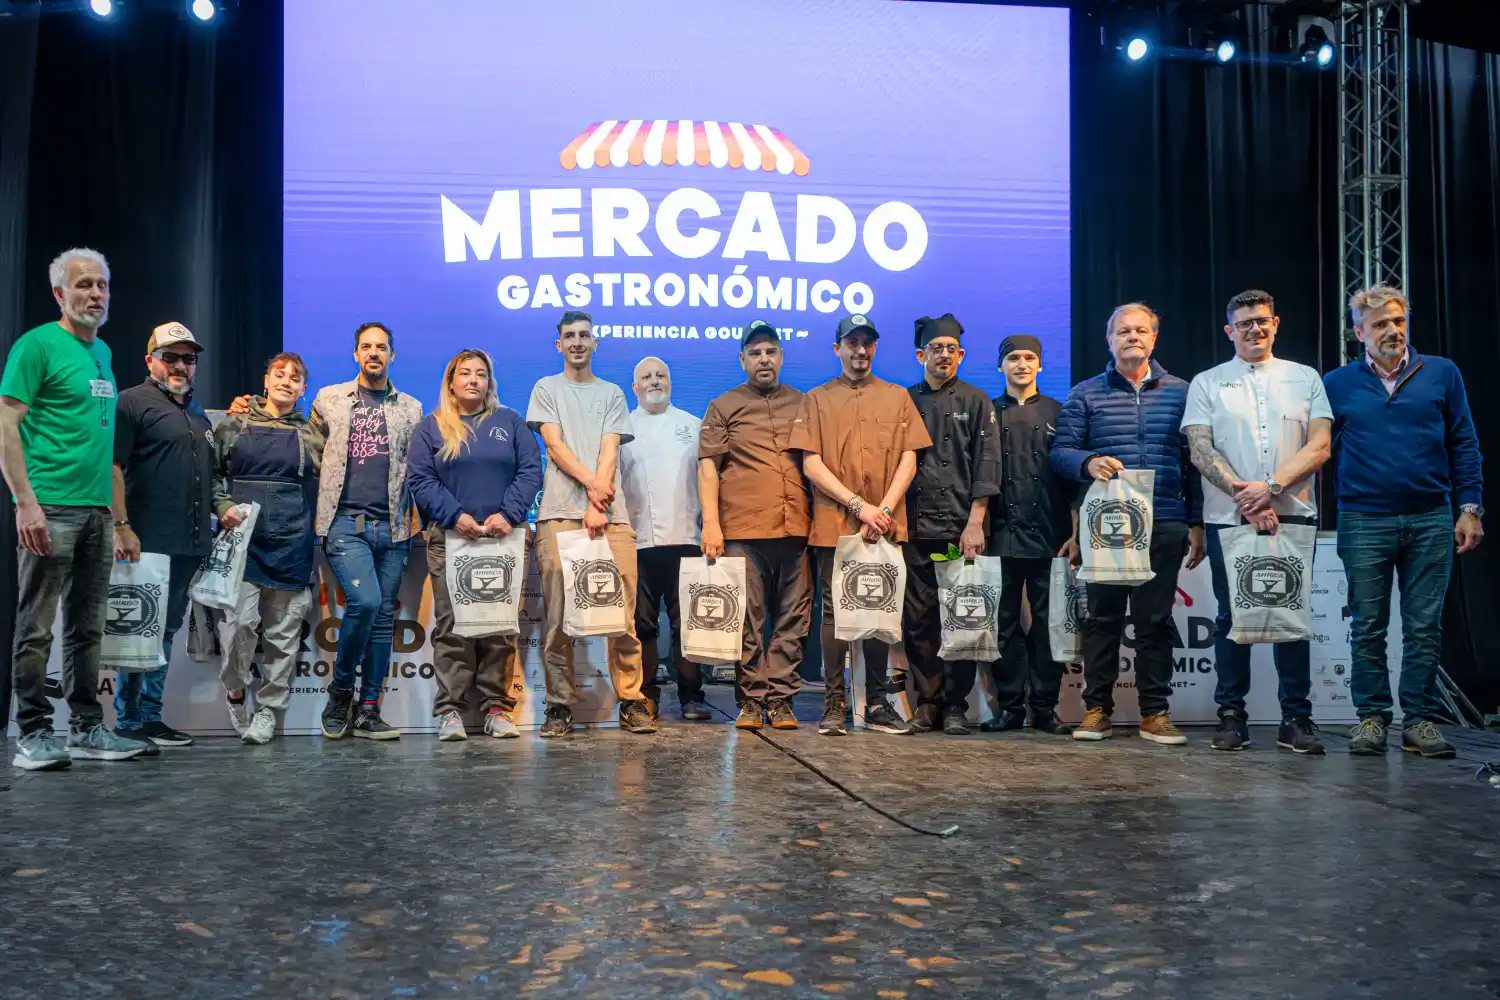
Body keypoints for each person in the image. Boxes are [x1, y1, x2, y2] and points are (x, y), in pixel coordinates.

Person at [2, 248, 151, 769]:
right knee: (36, 625)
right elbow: (6, 425)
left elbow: (104, 448)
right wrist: (27, 505)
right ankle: (33, 732)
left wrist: (116, 517)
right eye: (83, 284)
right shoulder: (37, 345)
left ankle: (87, 727)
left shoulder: (103, 353)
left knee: (88, 628)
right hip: (51, 507)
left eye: (102, 285)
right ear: (59, 294)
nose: (95, 294)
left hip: (93, 513)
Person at [1324, 285, 1484, 759]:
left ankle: (1419, 721)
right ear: (1359, 333)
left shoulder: (1441, 373)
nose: (1392, 331)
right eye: (1380, 325)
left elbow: (1465, 443)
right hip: (1363, 519)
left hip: (1431, 517)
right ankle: (1371, 718)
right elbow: (1317, 451)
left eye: (1398, 321)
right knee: (1368, 625)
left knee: (1424, 626)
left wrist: (1470, 508)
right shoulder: (1336, 383)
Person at [1182, 290, 1332, 755]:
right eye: (1244, 323)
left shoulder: (1305, 378)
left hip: (1292, 516)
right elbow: (1200, 450)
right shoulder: (1207, 382)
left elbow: (1320, 447)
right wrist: (1248, 499)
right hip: (1230, 519)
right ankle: (1232, 716)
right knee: (1232, 620)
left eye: (1262, 320)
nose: (1254, 329)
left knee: (1291, 619)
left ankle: (1296, 719)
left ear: (1276, 323)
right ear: (1230, 331)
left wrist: (1267, 490)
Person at [1051, 302, 1205, 745]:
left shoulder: (1182, 392)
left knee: (1155, 622)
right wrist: (1088, 461)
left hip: (1165, 522)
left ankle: (1155, 713)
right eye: (1123, 331)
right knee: (1102, 620)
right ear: (1109, 340)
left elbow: (1194, 463)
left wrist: (1195, 522)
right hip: (1107, 527)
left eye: (1140, 330)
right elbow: (1061, 452)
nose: (1132, 337)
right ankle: (1097, 709)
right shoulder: (1085, 393)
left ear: (1154, 338)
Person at [788, 314, 933, 737]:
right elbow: (810, 463)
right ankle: (834, 703)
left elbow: (911, 456)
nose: (860, 350)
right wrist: (858, 506)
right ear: (837, 349)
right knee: (834, 612)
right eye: (852, 343)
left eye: (867, 342)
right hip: (837, 522)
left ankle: (875, 703)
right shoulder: (815, 399)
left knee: (879, 608)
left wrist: (882, 509)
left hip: (885, 524)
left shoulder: (897, 397)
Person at [526, 311, 654, 738]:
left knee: (622, 618)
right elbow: (555, 446)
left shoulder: (613, 393)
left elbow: (610, 447)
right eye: (569, 336)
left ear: (594, 343)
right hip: (559, 516)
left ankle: (632, 700)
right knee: (560, 618)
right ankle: (559, 706)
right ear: (558, 344)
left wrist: (600, 500)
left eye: (584, 335)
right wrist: (593, 489)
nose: (577, 342)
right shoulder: (546, 388)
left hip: (611, 517)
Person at [408, 349, 542, 741]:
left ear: (489, 382)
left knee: (500, 627)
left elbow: (531, 469)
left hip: (504, 538)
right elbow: (420, 479)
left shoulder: (510, 422)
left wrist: (509, 514)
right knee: (452, 626)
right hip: (451, 539)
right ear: (451, 381)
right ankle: (450, 711)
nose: (472, 380)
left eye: (480, 374)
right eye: (464, 373)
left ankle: (497, 708)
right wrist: (455, 516)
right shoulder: (430, 427)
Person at [310, 323, 424, 740]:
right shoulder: (328, 400)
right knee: (365, 600)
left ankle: (369, 709)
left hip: (394, 527)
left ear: (392, 355)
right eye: (366, 347)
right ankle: (341, 691)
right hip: (344, 524)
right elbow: (306, 451)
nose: (374, 353)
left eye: (381, 348)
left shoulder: (411, 408)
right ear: (355, 354)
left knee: (381, 620)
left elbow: (420, 468)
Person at [699, 320, 813, 731]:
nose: (763, 359)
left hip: (798, 528)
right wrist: (710, 524)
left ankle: (780, 699)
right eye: (755, 353)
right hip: (742, 530)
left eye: (770, 351)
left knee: (794, 618)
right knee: (746, 617)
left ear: (780, 356)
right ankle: (750, 699)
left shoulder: (804, 403)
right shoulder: (723, 405)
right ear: (742, 360)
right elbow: (709, 469)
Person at [110, 321, 216, 752]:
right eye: (169, 356)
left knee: (165, 630)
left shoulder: (197, 412)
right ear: (149, 359)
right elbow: (112, 468)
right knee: (137, 631)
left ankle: (151, 718)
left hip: (187, 543)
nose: (179, 365)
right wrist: (121, 526)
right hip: (143, 539)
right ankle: (127, 721)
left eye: (187, 359)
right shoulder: (130, 403)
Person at [213, 352, 325, 745]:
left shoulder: (312, 433)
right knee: (238, 628)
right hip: (243, 545)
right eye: (280, 374)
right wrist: (222, 505)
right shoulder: (234, 424)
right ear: (266, 381)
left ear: (303, 389)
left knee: (283, 636)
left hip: (292, 542)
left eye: (295, 377)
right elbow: (210, 475)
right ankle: (236, 690)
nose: (286, 381)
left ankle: (268, 712)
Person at [901, 315, 1001, 736]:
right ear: (920, 354)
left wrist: (976, 522)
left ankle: (956, 705)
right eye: (935, 348)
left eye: (951, 349)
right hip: (916, 527)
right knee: (919, 619)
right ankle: (927, 704)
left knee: (961, 617)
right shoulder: (904, 399)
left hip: (963, 527)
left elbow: (987, 464)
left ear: (960, 354)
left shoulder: (978, 401)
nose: (944, 355)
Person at [985, 334, 1078, 737]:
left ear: (1040, 365)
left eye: (1029, 358)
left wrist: (1075, 533)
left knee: (1047, 624)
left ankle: (1044, 707)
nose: (1021, 364)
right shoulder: (987, 413)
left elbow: (1074, 481)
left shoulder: (1062, 412)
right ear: (1000, 366)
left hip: (1050, 535)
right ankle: (1009, 707)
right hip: (999, 535)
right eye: (1013, 358)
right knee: (1002, 624)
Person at [618, 356, 709, 721]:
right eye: (646, 377)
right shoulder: (620, 428)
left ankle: (691, 695)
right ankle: (646, 694)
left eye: (661, 376)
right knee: (642, 625)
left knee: (688, 624)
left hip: (686, 537)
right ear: (635, 387)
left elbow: (707, 482)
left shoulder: (694, 425)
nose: (654, 381)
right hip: (636, 540)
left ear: (670, 383)